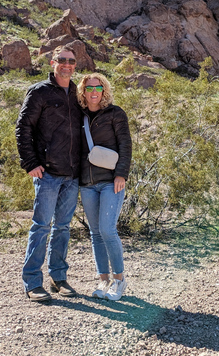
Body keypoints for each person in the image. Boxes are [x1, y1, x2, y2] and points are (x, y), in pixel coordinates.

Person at [16, 44, 82, 302]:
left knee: (63, 227)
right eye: (62, 60)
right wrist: (30, 163)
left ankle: (58, 277)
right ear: (52, 62)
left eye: (72, 61)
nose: (67, 64)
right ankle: (33, 282)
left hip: (72, 173)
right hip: (47, 173)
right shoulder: (39, 92)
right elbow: (23, 129)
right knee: (41, 226)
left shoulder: (77, 92)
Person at [77, 73, 132, 301]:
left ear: (104, 90)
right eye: (89, 88)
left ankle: (119, 281)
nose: (93, 92)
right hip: (86, 183)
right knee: (95, 233)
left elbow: (125, 144)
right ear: (83, 91)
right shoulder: (78, 117)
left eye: (97, 87)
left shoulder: (115, 113)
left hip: (111, 181)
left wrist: (121, 174)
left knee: (108, 230)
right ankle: (103, 280)